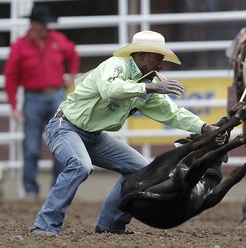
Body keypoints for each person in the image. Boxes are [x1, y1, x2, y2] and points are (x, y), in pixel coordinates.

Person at [29, 30, 226, 236]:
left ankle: (110, 225)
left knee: (141, 170)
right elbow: (110, 89)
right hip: (64, 127)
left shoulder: (147, 82)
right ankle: (45, 225)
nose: (161, 65)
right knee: (80, 165)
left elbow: (172, 113)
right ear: (141, 56)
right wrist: (149, 87)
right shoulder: (115, 65)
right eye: (157, 58)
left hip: (93, 135)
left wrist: (205, 128)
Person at [4, 4, 80, 201]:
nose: (47, 28)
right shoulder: (20, 47)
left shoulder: (56, 40)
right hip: (34, 97)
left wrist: (71, 74)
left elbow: (73, 54)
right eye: (44, 24)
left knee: (60, 144)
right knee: (31, 147)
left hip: (54, 95)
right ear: (35, 24)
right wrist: (14, 106)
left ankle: (56, 188)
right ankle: (31, 191)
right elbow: (11, 78)